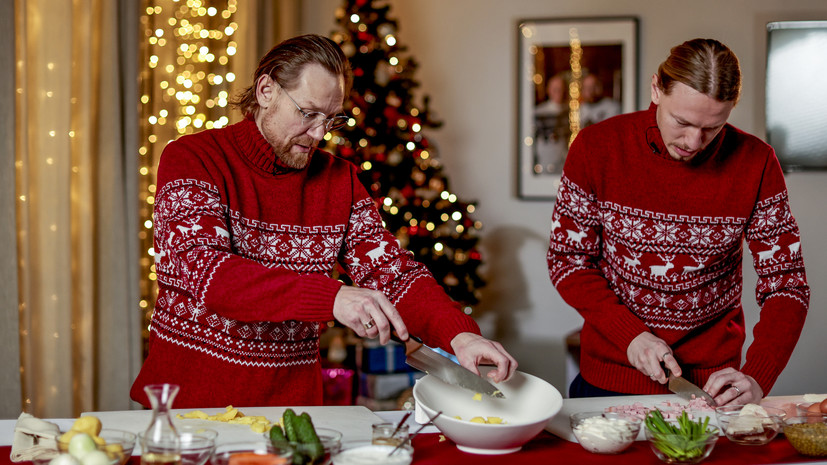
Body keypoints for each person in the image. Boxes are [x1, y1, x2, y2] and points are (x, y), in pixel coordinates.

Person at [130, 34, 517, 408]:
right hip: (189, 406)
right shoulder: (193, 158)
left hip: (292, 410)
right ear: (266, 91)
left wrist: (460, 336)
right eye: (308, 113)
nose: (318, 134)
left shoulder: (339, 180)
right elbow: (211, 275)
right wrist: (331, 297)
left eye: (330, 119)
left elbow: (392, 274)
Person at [547, 38, 809, 406]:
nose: (694, 141)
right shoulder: (595, 148)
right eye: (682, 122)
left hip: (711, 387)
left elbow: (787, 284)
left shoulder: (757, 162)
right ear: (656, 89)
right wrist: (631, 336)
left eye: (713, 128)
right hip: (609, 379)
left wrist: (759, 375)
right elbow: (568, 261)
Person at [533, 73, 570, 174]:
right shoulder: (539, 112)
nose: (558, 92)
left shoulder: (571, 112)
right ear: (548, 90)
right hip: (544, 166)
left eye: (560, 88)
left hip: (564, 165)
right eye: (555, 89)